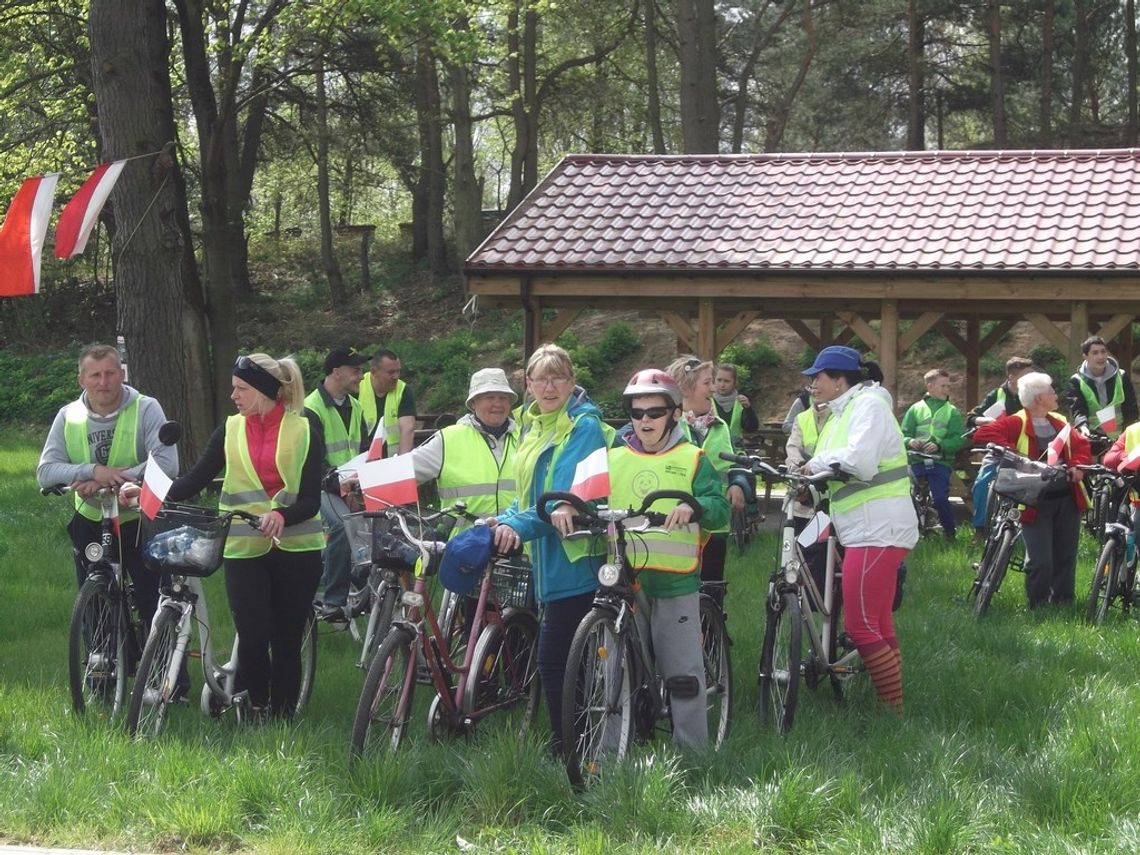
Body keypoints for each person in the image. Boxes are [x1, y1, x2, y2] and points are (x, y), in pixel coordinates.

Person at [132, 354, 324, 719]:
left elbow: (312, 498)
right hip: (241, 546)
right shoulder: (231, 428)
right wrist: (144, 491)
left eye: (241, 388)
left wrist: (281, 515)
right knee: (252, 638)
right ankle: (257, 704)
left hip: (298, 547)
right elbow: (192, 481)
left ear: (265, 390)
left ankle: (281, 718)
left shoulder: (304, 427)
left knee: (286, 640)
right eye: (233, 388)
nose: (233, 395)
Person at [490, 344, 607, 757]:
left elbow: (561, 499)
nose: (550, 385)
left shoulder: (582, 426)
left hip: (575, 561)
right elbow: (528, 496)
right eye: (542, 378)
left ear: (572, 383)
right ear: (528, 385)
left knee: (557, 663)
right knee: (563, 664)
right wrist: (501, 518)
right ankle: (575, 744)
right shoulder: (530, 426)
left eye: (559, 377)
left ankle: (568, 750)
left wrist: (516, 525)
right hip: (544, 564)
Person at [608, 369, 729, 748]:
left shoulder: (694, 457)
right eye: (637, 412)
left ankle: (693, 758)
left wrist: (693, 506)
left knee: (683, 672)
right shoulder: (612, 458)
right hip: (627, 580)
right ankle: (613, 753)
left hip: (675, 580)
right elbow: (587, 497)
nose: (645, 420)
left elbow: (720, 509)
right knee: (616, 670)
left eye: (655, 412)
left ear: (674, 413)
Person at [799, 346, 917, 713]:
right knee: (877, 623)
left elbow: (860, 463)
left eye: (818, 376)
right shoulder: (842, 412)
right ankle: (892, 707)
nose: (812, 383)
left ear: (840, 380)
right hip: (869, 526)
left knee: (860, 625)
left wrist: (812, 465)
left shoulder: (868, 406)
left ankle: (891, 709)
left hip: (877, 526)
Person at [37, 343, 179, 635]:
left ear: (122, 374)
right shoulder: (68, 415)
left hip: (138, 519)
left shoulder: (146, 407)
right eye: (95, 375)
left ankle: (167, 676)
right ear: (82, 380)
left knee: (153, 599)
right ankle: (102, 673)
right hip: (90, 519)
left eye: (110, 373)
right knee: (95, 605)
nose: (104, 382)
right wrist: (92, 471)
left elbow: (167, 464)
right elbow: (45, 472)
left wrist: (113, 478)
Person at [974, 371, 1090, 609]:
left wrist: (1077, 466)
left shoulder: (1058, 421)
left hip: (1066, 497)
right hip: (1033, 501)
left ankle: (1063, 603)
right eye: (1051, 391)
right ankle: (1038, 605)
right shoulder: (1016, 421)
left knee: (1066, 556)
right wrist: (1017, 456)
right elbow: (983, 434)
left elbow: (1081, 445)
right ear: (1039, 398)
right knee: (1040, 560)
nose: (1055, 394)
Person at [666, 356, 750, 587]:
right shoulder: (666, 426)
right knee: (680, 590)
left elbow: (733, 463)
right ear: (685, 386)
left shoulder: (719, 425)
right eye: (707, 383)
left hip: (715, 524)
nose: (714, 388)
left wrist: (738, 484)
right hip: (677, 523)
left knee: (712, 591)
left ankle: (711, 624)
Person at [304, 346, 371, 618]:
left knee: (386, 520)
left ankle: (359, 577)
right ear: (336, 372)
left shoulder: (355, 407)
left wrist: (361, 485)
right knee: (343, 526)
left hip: (349, 485)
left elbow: (366, 452)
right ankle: (334, 602)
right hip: (316, 488)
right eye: (356, 370)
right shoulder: (311, 409)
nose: (362, 376)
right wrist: (342, 487)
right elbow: (313, 466)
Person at [411, 368, 519, 531]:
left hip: (521, 547)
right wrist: (363, 480)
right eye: (490, 397)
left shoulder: (526, 437)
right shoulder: (448, 440)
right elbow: (404, 471)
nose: (497, 404)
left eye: (503, 397)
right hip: (465, 548)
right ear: (473, 403)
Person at [966, 356, 1034, 538]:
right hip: (998, 450)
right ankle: (980, 529)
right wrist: (986, 421)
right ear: (1011, 377)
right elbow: (971, 418)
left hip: (1025, 452)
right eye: (1025, 376)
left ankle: (1026, 528)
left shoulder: (1033, 395)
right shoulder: (997, 395)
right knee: (981, 483)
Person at [900, 368, 965, 540]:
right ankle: (908, 533)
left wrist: (939, 445)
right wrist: (909, 441)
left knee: (941, 498)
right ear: (930, 386)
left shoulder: (952, 411)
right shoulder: (915, 409)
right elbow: (902, 434)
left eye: (948, 386)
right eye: (943, 386)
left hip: (940, 462)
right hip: (916, 460)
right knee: (906, 497)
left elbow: (959, 439)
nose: (947, 389)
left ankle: (950, 533)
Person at [1066, 335, 1138, 443]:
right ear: (1085, 356)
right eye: (1095, 353)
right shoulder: (1076, 380)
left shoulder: (1121, 376)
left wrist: (1127, 433)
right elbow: (1078, 410)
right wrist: (1083, 427)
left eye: (1103, 352)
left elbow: (1131, 408)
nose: (1100, 357)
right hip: (1092, 436)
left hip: (1122, 436)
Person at [359, 348, 416, 457]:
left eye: (398, 371)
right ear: (374, 372)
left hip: (392, 458)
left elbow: (407, 428)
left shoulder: (403, 390)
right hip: (361, 458)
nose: (396, 376)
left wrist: (402, 462)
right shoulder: (358, 386)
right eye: (390, 372)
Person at [712, 363, 759, 446]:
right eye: (719, 380)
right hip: (713, 451)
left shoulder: (740, 402)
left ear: (734, 382)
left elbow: (752, 428)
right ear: (714, 380)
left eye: (727, 381)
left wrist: (748, 408)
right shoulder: (707, 402)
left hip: (735, 452)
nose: (722, 385)